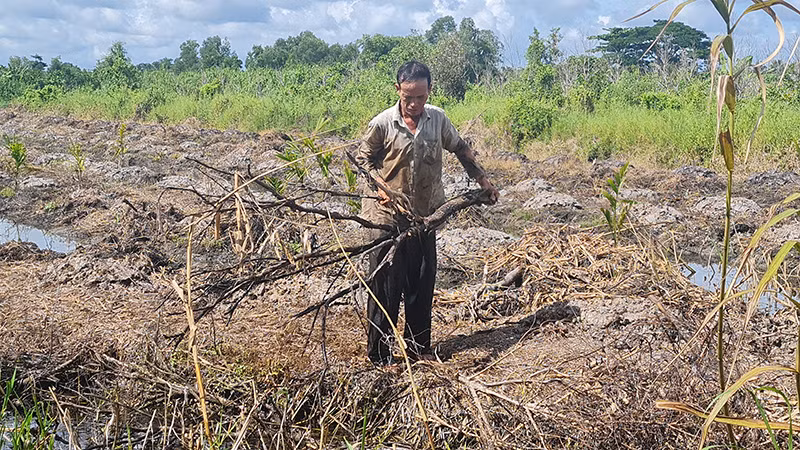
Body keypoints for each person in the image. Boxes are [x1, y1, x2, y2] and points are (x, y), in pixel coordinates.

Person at [356, 61, 499, 366]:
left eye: (420, 97)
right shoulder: (382, 124)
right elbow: (363, 161)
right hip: (387, 218)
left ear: (429, 91)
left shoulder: (438, 120)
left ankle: (418, 349)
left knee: (421, 283)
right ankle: (379, 356)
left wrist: (483, 180)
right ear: (398, 90)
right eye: (408, 97)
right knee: (385, 287)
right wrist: (381, 187)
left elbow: (461, 149)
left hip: (425, 216)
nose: (415, 104)